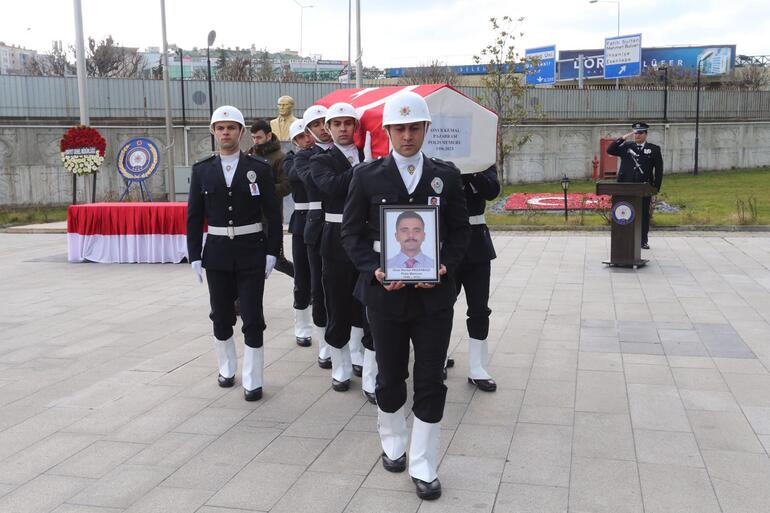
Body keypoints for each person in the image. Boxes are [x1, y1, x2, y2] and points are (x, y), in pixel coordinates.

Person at [341, 91, 470, 500]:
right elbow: (351, 233)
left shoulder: (445, 176)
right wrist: (373, 268)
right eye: (400, 128)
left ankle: (424, 462)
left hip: (434, 297)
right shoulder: (366, 176)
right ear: (388, 131)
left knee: (431, 377)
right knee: (392, 374)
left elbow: (461, 230)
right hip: (385, 293)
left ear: (426, 129)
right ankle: (393, 439)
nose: (408, 135)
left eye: (415, 127)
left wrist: (445, 263)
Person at [186, 105, 281, 402]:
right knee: (221, 315)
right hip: (216, 252)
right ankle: (227, 368)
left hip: (251, 250)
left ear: (241, 132)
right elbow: (193, 216)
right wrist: (195, 255)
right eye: (220, 127)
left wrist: (272, 251)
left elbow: (273, 214)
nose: (225, 132)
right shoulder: (202, 170)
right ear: (213, 132)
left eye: (231, 127)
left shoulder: (259, 169)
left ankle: (253, 379)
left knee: (252, 316)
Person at [309, 102, 371, 397]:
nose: (343, 129)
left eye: (348, 123)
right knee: (337, 301)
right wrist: (364, 169)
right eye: (337, 124)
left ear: (356, 127)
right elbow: (331, 187)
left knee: (365, 300)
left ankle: (359, 354)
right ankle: (341, 365)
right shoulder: (321, 159)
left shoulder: (367, 154)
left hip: (364, 235)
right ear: (329, 129)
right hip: (334, 236)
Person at [450, 165, 500, 392]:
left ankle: (477, 367)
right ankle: (438, 357)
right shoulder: (439, 162)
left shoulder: (483, 160)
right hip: (447, 244)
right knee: (440, 307)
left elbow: (492, 190)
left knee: (479, 308)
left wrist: (470, 170)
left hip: (477, 244)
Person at [294, 106, 332, 369]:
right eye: (315, 124)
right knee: (319, 288)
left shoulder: (352, 151)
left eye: (324, 122)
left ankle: (353, 344)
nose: (322, 128)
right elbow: (318, 183)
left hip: (348, 228)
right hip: (318, 228)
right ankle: (325, 344)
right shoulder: (304, 158)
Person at [283, 119, 316, 347]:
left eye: (308, 134)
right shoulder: (291, 159)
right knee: (302, 274)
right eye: (301, 137)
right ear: (295, 141)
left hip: (323, 218)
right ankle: (302, 323)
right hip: (302, 219)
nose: (307, 139)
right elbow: (295, 174)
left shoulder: (325, 154)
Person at [607, 122, 663, 249]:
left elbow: (659, 171)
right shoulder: (626, 146)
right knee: (624, 212)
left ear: (646, 134)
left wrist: (655, 189)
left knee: (643, 215)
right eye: (635, 133)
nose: (637, 135)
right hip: (625, 186)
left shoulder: (654, 149)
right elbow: (610, 150)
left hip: (644, 188)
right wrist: (622, 138)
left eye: (640, 133)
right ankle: (623, 238)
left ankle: (643, 240)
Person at [249, 119, 294, 276]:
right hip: (249, 217)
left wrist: (263, 190)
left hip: (270, 218)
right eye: (253, 137)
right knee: (250, 260)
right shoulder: (249, 154)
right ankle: (241, 299)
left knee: (278, 261)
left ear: (269, 136)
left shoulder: (279, 157)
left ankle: (307, 286)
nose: (256, 141)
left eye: (259, 137)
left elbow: (287, 185)